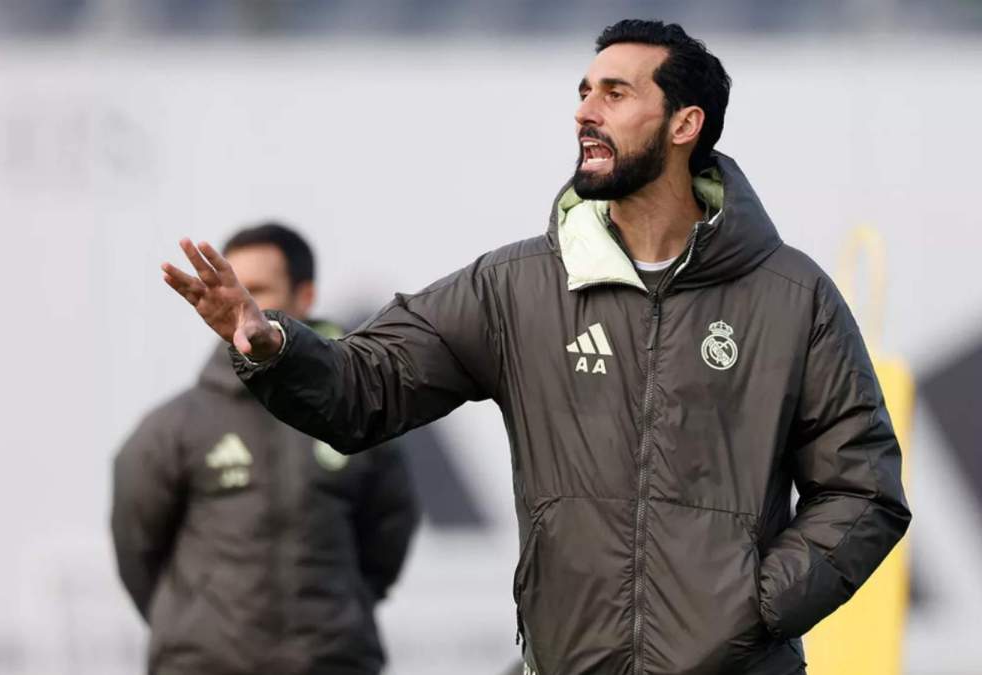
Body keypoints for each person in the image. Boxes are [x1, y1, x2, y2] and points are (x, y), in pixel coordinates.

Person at [161, 20, 910, 675]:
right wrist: (270, 344)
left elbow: (863, 488)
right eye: (584, 91)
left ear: (685, 124)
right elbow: (365, 388)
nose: (585, 111)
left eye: (615, 93)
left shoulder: (790, 294)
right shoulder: (515, 286)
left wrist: (751, 606)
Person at [114, 223, 419, 675]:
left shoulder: (358, 412)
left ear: (306, 296)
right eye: (229, 285)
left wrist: (338, 612)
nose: (238, 302)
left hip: (333, 662)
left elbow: (388, 532)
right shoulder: (174, 428)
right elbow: (138, 550)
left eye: (256, 289)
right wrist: (196, 628)